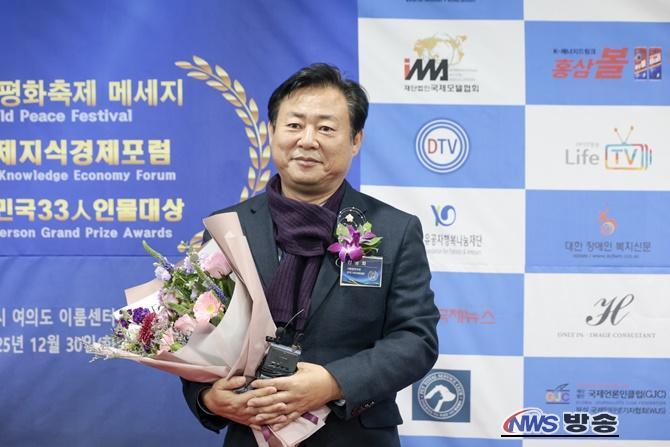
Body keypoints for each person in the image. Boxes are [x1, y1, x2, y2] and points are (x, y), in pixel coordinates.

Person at [182, 63, 439, 446]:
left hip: (352, 437)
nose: (307, 140)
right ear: (271, 131)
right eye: (294, 125)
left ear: (355, 140)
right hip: (252, 433)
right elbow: (193, 331)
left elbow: (416, 339)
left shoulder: (394, 230)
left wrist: (333, 382)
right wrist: (207, 398)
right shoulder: (228, 228)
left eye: (326, 128)